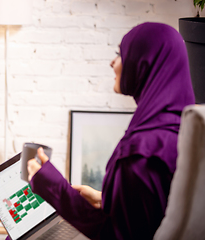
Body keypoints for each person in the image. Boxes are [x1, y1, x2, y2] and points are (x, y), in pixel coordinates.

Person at [27, 22, 195, 240]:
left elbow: (115, 236)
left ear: (143, 63)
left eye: (120, 54)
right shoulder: (183, 130)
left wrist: (54, 186)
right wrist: (104, 199)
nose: (112, 63)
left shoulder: (141, 152)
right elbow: (155, 213)